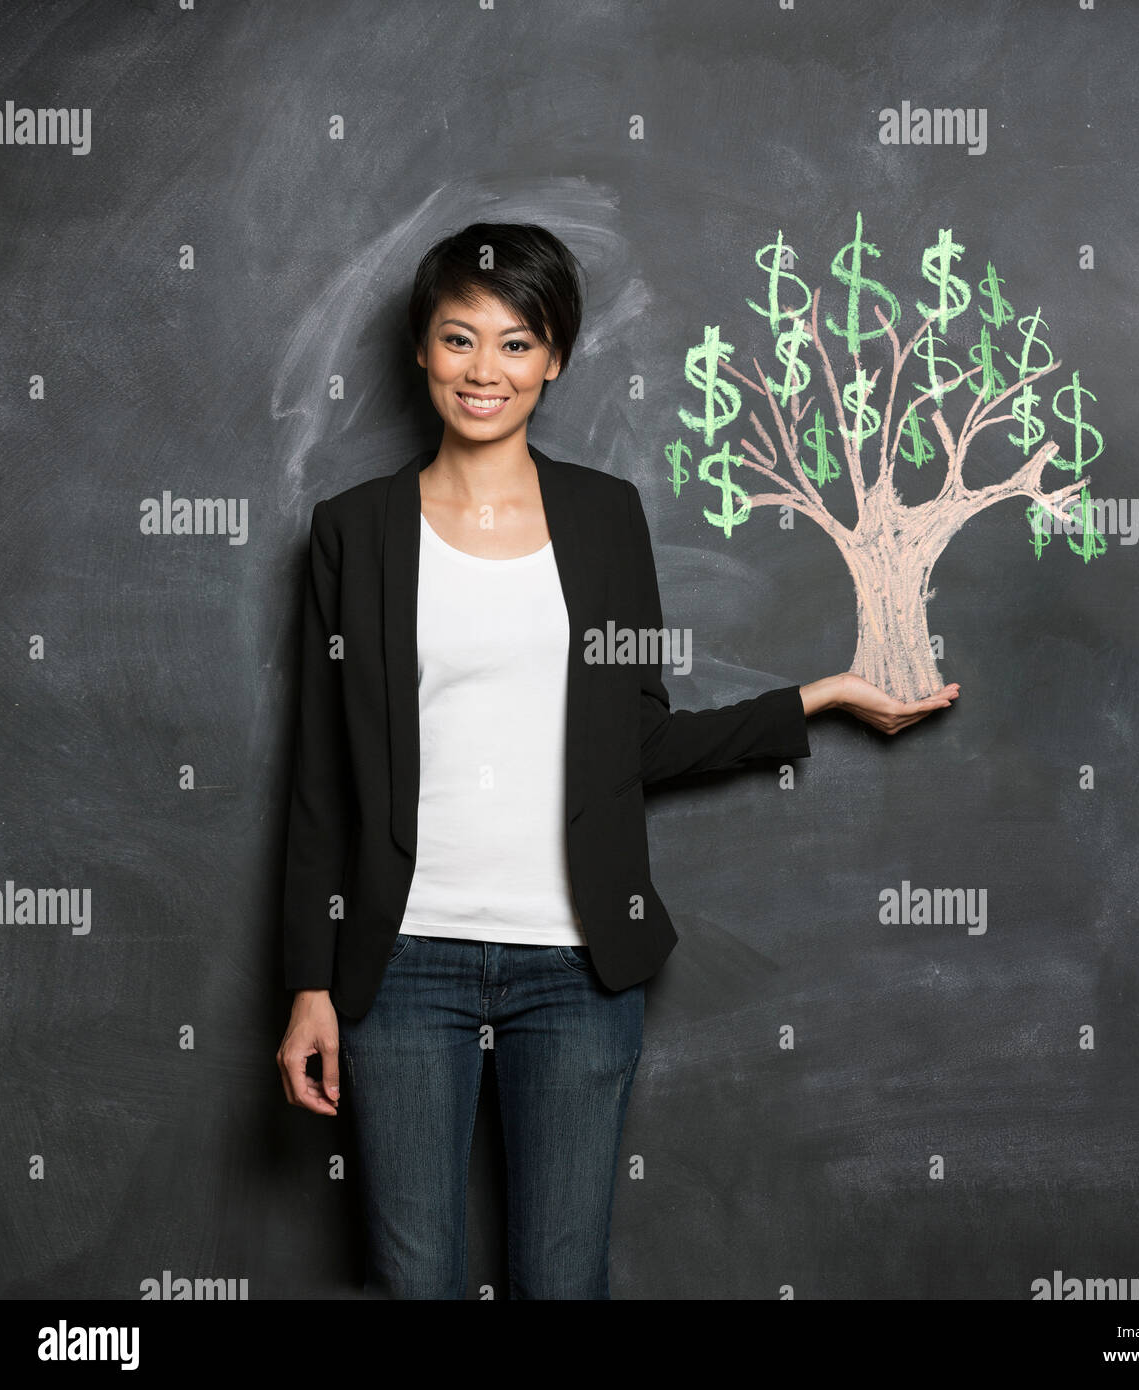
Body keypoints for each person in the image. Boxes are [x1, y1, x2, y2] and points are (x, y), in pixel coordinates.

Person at [275, 221, 959, 1300]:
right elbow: (320, 780)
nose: (483, 370)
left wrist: (815, 698)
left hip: (576, 964)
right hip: (400, 964)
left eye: (514, 343)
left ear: (553, 357)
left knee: (563, 1279)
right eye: (459, 339)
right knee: (413, 1280)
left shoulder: (604, 519)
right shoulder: (352, 531)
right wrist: (310, 982)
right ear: (419, 349)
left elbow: (636, 738)